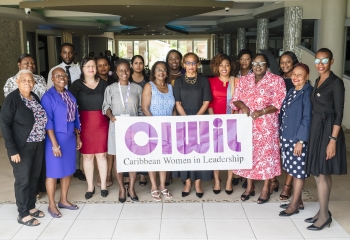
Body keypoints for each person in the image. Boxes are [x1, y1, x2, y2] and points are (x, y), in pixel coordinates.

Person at [230, 53, 286, 204]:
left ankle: (266, 188)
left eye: (261, 63)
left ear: (267, 65)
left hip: (267, 126)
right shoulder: (244, 80)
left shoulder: (276, 80)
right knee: (249, 155)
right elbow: (235, 99)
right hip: (247, 126)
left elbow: (279, 102)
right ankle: (249, 186)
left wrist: (261, 112)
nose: (257, 66)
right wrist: (242, 106)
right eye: (255, 63)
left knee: (266, 158)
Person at [304, 48, 347, 230]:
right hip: (316, 129)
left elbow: (339, 113)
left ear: (332, 61)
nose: (320, 64)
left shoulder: (336, 83)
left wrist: (332, 140)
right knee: (319, 171)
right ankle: (323, 211)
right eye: (317, 60)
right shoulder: (318, 80)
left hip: (329, 129)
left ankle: (324, 216)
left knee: (322, 173)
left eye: (324, 60)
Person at [1, 69, 47, 226]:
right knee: (23, 179)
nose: (28, 83)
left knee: (34, 177)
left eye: (30, 80)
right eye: (24, 80)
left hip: (38, 143)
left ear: (34, 83)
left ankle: (31, 206)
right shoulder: (12, 100)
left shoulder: (33, 97)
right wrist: (12, 149)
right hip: (22, 146)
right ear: (17, 82)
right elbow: (5, 126)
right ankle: (22, 213)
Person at [41, 68, 82, 218]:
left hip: (70, 137)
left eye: (64, 75)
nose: (61, 78)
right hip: (55, 138)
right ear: (52, 79)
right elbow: (48, 122)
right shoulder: (48, 97)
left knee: (68, 170)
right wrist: (54, 144)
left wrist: (78, 136)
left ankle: (63, 200)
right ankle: (51, 204)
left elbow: (76, 117)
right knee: (53, 172)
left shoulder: (69, 94)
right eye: (57, 76)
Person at [173, 52, 213, 198]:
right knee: (186, 152)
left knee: (199, 151)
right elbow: (177, 103)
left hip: (200, 118)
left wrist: (196, 119)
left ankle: (198, 184)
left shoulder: (203, 80)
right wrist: (186, 120)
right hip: (183, 118)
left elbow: (206, 102)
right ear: (184, 64)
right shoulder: (179, 81)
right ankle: (188, 182)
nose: (191, 66)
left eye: (193, 62)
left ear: (198, 64)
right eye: (188, 63)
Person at [102, 58, 143, 202]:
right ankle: (121, 188)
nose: (124, 73)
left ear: (130, 71)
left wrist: (139, 120)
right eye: (121, 70)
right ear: (116, 73)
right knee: (119, 160)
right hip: (116, 129)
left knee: (132, 160)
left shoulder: (138, 88)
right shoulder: (111, 88)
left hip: (133, 129)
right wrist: (111, 115)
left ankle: (131, 187)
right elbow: (105, 106)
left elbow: (141, 109)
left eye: (126, 70)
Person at [69, 57, 109, 199]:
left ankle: (103, 185)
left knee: (102, 155)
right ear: (82, 69)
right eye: (87, 66)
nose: (91, 68)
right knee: (87, 156)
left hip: (102, 122)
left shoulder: (104, 84)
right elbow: (72, 108)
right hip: (84, 123)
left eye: (93, 66)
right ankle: (90, 186)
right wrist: (75, 127)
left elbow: (108, 105)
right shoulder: (76, 85)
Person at [47, 42, 86, 181]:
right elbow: (49, 93)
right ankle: (59, 170)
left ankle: (76, 168)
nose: (67, 55)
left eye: (70, 52)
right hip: (58, 111)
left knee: (75, 140)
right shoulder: (54, 70)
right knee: (59, 142)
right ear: (60, 53)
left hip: (75, 107)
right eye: (64, 52)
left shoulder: (79, 70)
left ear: (74, 53)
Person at [278, 63, 313, 217]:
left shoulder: (307, 93)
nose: (296, 77)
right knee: (291, 169)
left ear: (307, 77)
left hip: (297, 139)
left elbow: (307, 118)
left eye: (300, 75)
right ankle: (298, 201)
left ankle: (294, 205)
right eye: (294, 74)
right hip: (287, 136)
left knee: (298, 172)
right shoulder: (292, 90)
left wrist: (301, 141)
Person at [142, 61, 175, 201]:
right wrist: (155, 125)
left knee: (164, 159)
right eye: (158, 70)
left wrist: (173, 122)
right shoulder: (149, 86)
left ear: (167, 72)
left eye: (163, 70)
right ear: (153, 72)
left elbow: (173, 108)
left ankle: (162, 185)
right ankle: (154, 186)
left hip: (167, 128)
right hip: (153, 128)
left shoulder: (170, 86)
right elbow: (144, 108)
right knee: (153, 158)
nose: (161, 72)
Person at [208, 53, 240, 195]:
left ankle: (228, 180)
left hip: (232, 122)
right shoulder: (210, 81)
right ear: (216, 66)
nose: (224, 67)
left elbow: (241, 102)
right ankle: (217, 180)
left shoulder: (236, 82)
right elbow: (208, 102)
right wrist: (213, 120)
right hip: (214, 122)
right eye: (221, 65)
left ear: (231, 66)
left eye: (227, 64)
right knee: (216, 152)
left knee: (230, 151)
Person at [278, 51, 300, 200]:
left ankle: (287, 185)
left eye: (288, 62)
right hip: (277, 119)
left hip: (292, 122)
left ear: (293, 62)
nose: (285, 65)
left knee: (291, 155)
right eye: (282, 62)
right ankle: (273, 181)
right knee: (277, 153)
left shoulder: (299, 80)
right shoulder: (277, 80)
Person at [128, 55, 149, 187]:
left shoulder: (148, 80)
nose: (138, 65)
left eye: (141, 63)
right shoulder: (126, 79)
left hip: (144, 117)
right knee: (130, 146)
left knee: (143, 147)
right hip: (130, 117)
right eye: (136, 63)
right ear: (132, 65)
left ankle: (143, 174)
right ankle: (128, 174)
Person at [96, 56, 116, 188]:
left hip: (115, 117)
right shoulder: (93, 81)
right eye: (100, 65)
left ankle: (110, 172)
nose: (103, 67)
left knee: (113, 145)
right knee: (102, 147)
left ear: (109, 67)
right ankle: (104, 173)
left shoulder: (114, 80)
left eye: (105, 65)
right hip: (99, 117)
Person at [236, 49, 253, 189]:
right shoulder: (234, 75)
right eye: (242, 58)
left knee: (250, 146)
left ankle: (248, 177)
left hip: (254, 116)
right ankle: (239, 174)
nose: (244, 61)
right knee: (239, 145)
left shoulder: (257, 75)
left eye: (247, 58)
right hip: (239, 114)